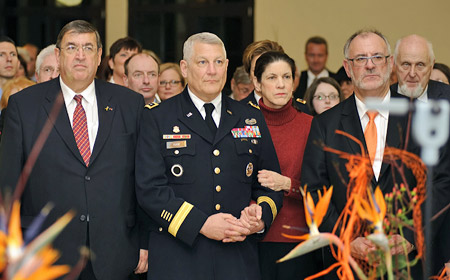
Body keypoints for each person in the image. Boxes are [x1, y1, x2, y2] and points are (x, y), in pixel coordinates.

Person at [0, 20, 148, 280]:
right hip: (44, 255)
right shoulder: (24, 106)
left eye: (88, 48)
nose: (80, 55)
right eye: (72, 47)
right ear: (58, 55)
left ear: (100, 56)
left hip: (116, 254)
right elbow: (8, 186)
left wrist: (145, 243)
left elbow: (144, 180)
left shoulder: (129, 104)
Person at [135, 32, 283, 280]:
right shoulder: (158, 118)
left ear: (227, 66)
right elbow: (149, 190)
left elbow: (269, 183)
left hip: (238, 259)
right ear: (184, 67)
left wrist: (260, 216)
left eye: (218, 62)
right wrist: (201, 224)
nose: (212, 71)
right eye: (202, 62)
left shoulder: (249, 117)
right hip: (179, 258)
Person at [301, 29, 421, 279]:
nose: (369, 65)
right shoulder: (325, 124)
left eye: (377, 57)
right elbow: (314, 191)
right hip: (347, 264)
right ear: (347, 67)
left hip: (408, 264)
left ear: (389, 63)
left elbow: (439, 183)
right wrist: (347, 237)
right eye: (360, 59)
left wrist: (411, 236)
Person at [252, 51, 317, 279]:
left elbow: (322, 187)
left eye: (287, 77)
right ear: (257, 83)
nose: (281, 84)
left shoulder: (311, 125)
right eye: (271, 78)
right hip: (249, 237)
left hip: (297, 239)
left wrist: (288, 184)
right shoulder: (241, 121)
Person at [392, 34, 450, 275]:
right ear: (394, 65)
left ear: (432, 65)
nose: (412, 73)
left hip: (441, 239)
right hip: (389, 237)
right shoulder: (379, 101)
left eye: (420, 65)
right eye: (406, 64)